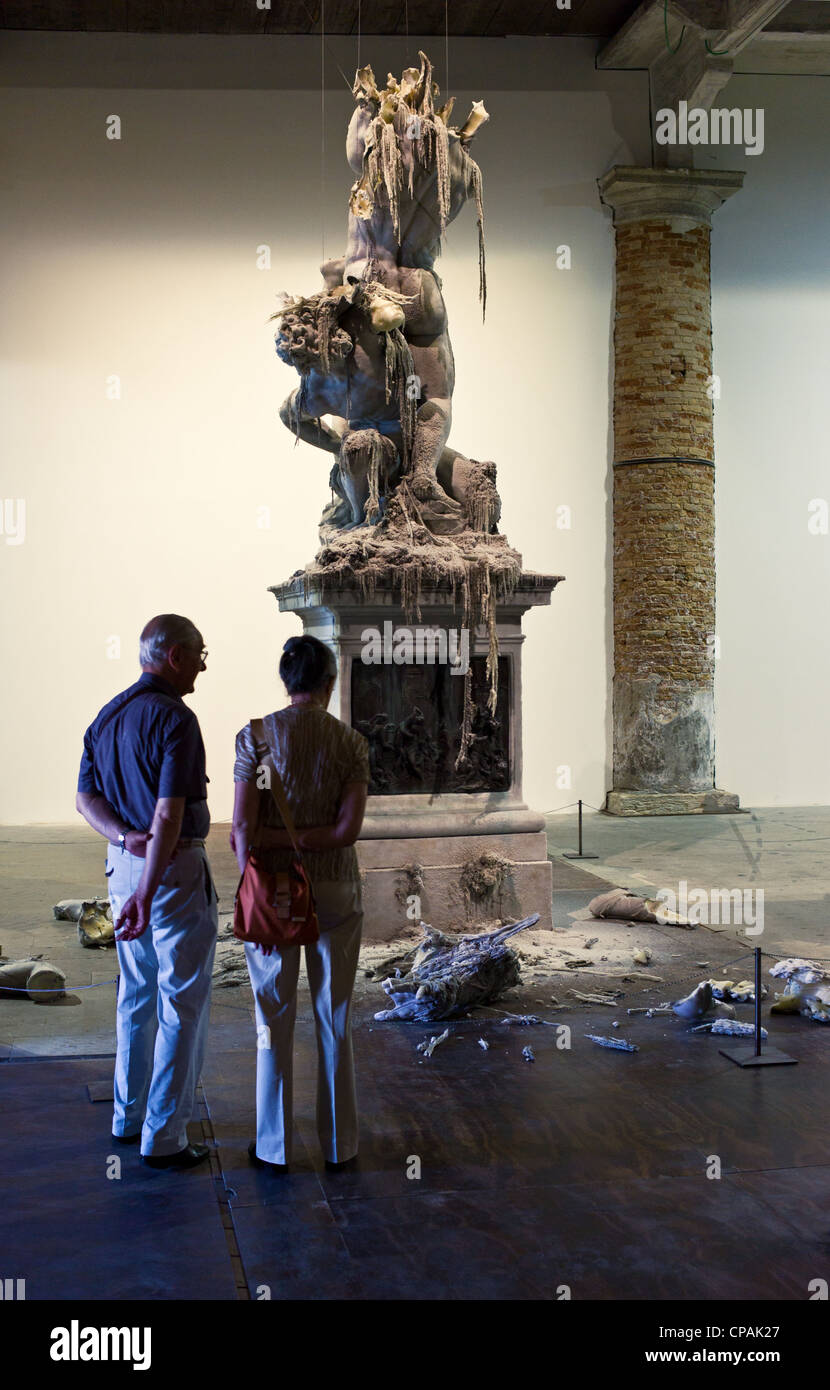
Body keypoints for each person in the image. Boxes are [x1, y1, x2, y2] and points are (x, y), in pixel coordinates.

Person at [76, 614, 218, 1171]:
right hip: (172, 869)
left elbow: (84, 800)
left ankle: (127, 1115)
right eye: (200, 654)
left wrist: (123, 839)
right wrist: (152, 880)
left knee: (135, 993)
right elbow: (169, 812)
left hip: (124, 865)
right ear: (175, 656)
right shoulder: (176, 720)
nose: (204, 666)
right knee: (181, 1000)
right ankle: (164, 1136)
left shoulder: (106, 715)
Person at [232, 634, 369, 1173]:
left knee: (273, 1013)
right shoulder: (351, 743)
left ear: (286, 681)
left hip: (275, 890)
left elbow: (243, 826)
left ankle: (273, 1146)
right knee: (334, 1013)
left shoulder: (256, 738)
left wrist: (263, 862)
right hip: (334, 887)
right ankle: (340, 1145)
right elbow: (347, 830)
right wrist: (311, 839)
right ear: (330, 683)